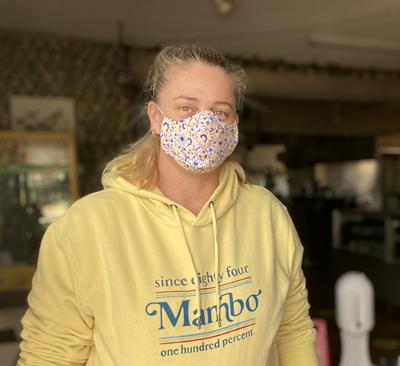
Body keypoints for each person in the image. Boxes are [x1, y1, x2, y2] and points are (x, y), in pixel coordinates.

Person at [18, 45, 318, 365]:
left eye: (220, 112)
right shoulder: (85, 229)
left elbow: (292, 331)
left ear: (234, 125)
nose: (205, 124)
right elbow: (48, 356)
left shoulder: (267, 215)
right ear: (155, 118)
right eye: (186, 108)